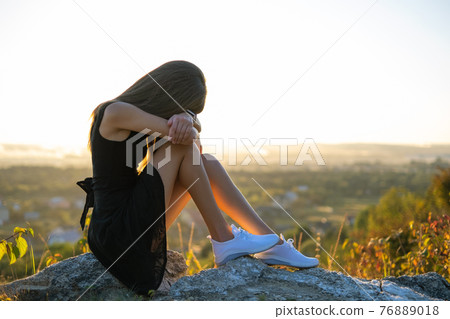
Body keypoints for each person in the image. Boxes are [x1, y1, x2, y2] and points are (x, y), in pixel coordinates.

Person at [77, 60, 318, 296]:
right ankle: (223, 239)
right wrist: (189, 123)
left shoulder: (141, 115)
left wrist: (188, 117)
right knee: (182, 148)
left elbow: (197, 149)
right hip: (117, 235)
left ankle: (273, 245)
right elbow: (188, 139)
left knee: (207, 162)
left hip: (135, 222)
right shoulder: (116, 111)